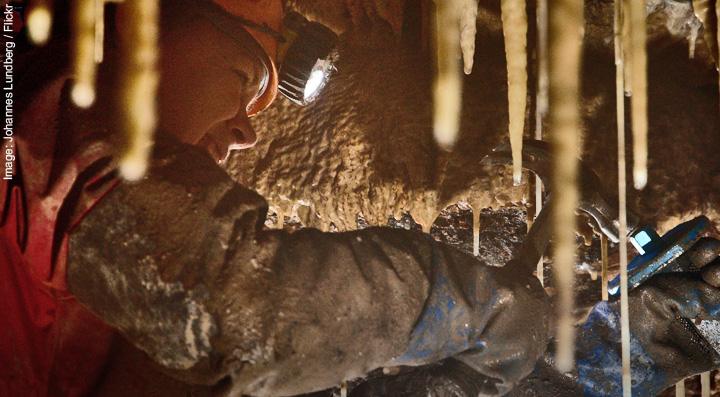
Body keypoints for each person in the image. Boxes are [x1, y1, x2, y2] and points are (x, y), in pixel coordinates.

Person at [2, 0, 719, 396]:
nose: (251, 130)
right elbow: (235, 307)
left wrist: (613, 353)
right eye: (248, 73)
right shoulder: (34, 123)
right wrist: (475, 300)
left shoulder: (112, 299)